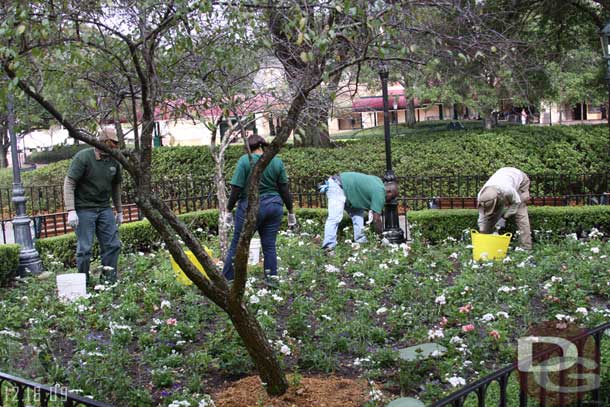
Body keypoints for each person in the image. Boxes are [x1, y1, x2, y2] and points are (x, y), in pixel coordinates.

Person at [222, 135, 296, 284]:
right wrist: (291, 211)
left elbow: (236, 188)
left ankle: (228, 279)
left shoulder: (244, 160)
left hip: (251, 206)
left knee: (237, 244)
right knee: (269, 246)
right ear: (262, 146)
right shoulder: (276, 161)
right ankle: (271, 281)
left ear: (248, 147)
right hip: (274, 206)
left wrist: (228, 210)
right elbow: (284, 189)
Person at [64, 127, 123, 284]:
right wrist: (71, 210)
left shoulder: (114, 161)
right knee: (84, 249)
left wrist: (119, 210)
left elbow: (116, 186)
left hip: (104, 208)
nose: (114, 147)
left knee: (113, 245)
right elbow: (69, 183)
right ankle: (82, 283)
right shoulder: (83, 158)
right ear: (103, 142)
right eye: (112, 143)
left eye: (116, 144)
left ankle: (108, 281)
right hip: (84, 209)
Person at [320, 172, 398, 255]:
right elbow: (376, 219)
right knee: (335, 218)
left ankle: (361, 243)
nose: (389, 200)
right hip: (337, 186)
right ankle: (328, 247)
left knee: (358, 214)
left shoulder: (378, 181)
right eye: (392, 197)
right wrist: (382, 237)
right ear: (389, 191)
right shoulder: (380, 192)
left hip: (347, 191)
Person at [477, 167, 532, 249]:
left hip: (520, 179)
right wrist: (483, 230)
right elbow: (482, 217)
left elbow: (516, 203)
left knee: (520, 214)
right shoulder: (481, 196)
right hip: (503, 177)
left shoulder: (508, 190)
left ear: (497, 198)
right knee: (490, 218)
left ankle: (526, 247)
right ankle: (489, 245)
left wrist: (504, 217)